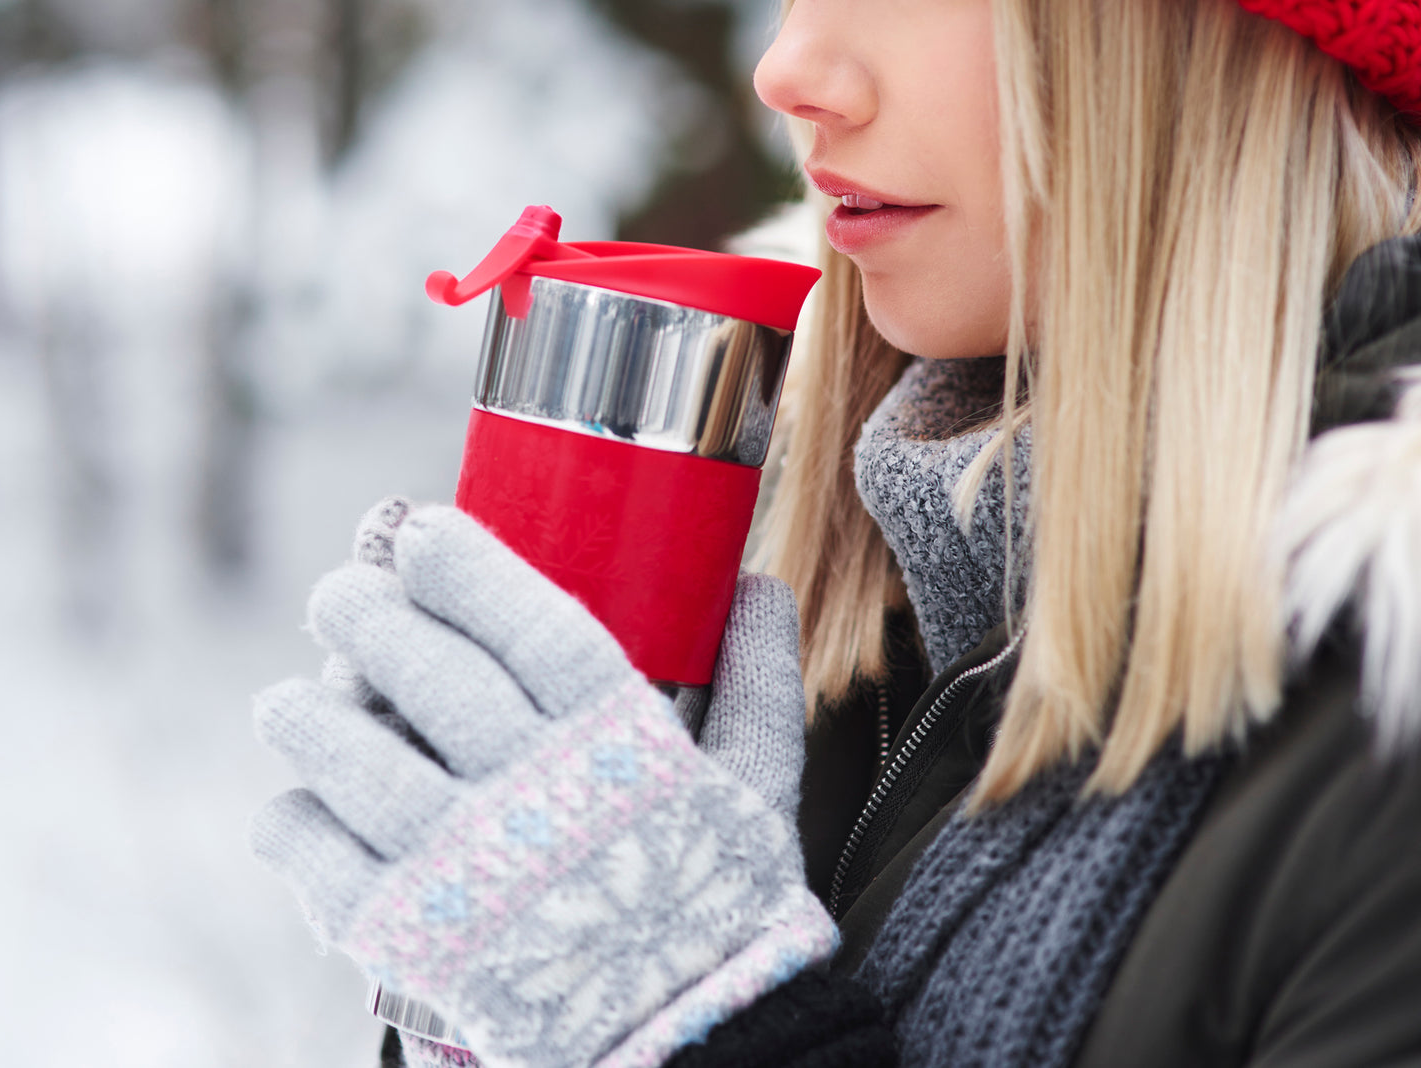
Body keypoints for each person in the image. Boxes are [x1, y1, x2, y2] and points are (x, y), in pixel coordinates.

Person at [248, 0, 1421, 1064]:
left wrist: (688, 1020)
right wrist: (505, 1007)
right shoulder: (836, 597)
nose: (786, 69)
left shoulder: (1387, 719)